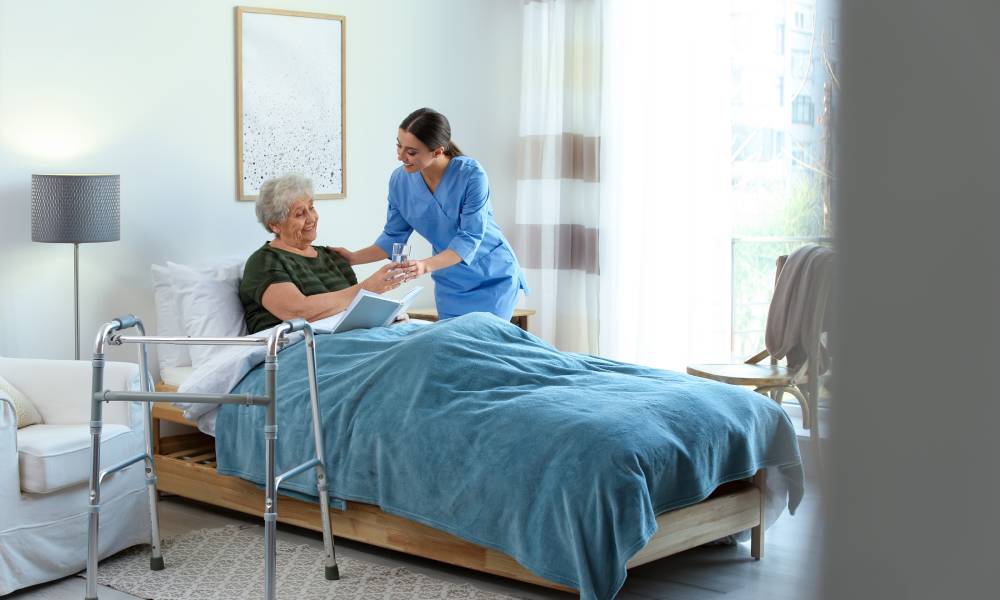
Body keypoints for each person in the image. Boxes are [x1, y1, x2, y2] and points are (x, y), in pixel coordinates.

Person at [333, 108, 528, 321]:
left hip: (493, 277)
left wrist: (423, 266)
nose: (400, 156)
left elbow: (469, 238)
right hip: (450, 283)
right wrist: (353, 258)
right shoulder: (400, 181)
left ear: (437, 151)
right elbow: (392, 238)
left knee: (485, 339)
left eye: (411, 152)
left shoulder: (471, 175)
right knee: (451, 341)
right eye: (398, 146)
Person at [239, 173, 403, 334]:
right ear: (275, 225)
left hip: (349, 338)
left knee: (415, 335)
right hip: (300, 345)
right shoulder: (264, 261)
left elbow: (353, 311)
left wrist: (386, 316)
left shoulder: (332, 257)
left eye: (311, 208)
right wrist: (367, 288)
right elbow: (298, 311)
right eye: (299, 214)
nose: (311, 218)